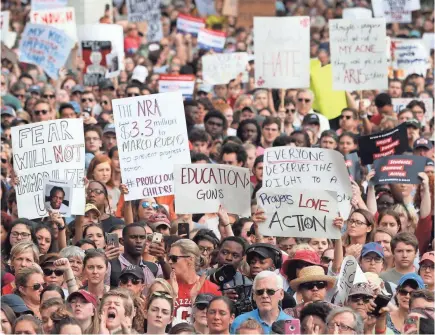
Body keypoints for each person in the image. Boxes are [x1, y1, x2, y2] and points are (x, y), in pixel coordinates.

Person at [169, 239, 221, 325]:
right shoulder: (165, 286)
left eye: (174, 258)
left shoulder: (212, 289)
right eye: (169, 258)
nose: (170, 262)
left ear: (190, 260)